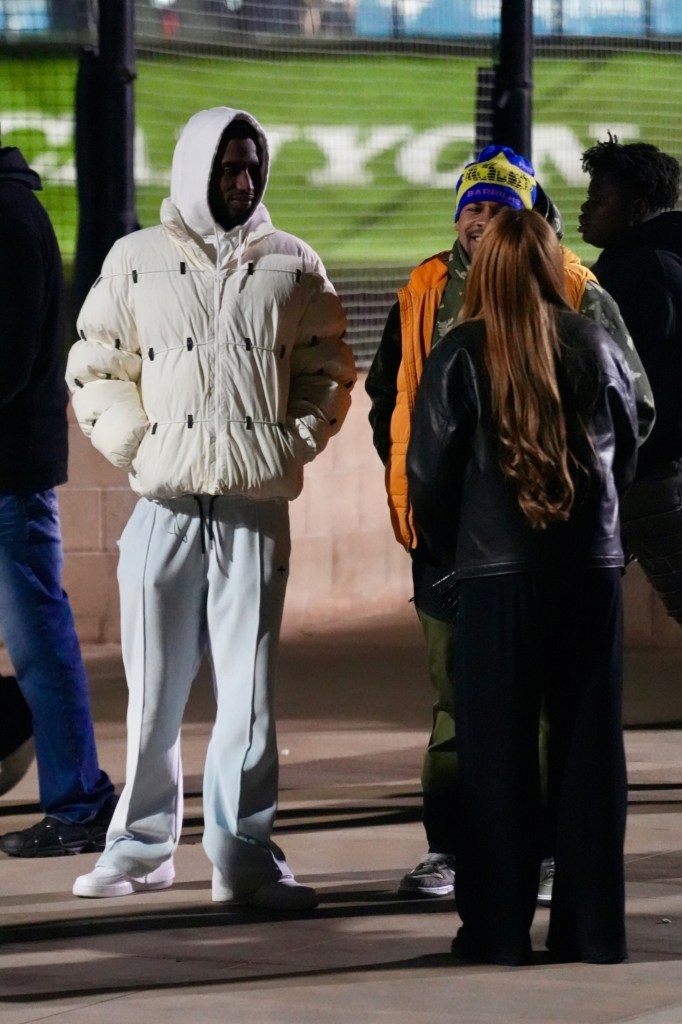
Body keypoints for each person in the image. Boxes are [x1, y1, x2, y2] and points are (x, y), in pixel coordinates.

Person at [66, 107, 356, 906]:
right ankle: (139, 847)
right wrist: (143, 449)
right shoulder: (134, 260)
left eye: (253, 166)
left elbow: (329, 370)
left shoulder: (294, 264)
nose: (243, 180)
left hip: (253, 507)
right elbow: (95, 368)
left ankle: (243, 857)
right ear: (197, 167)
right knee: (154, 688)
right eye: (229, 166)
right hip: (162, 503)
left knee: (248, 694)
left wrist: (284, 445)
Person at [365, 144, 653, 903]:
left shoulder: (579, 292)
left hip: (546, 544)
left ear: (527, 219)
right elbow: (389, 402)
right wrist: (425, 512)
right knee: (456, 699)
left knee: (553, 707)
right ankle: (451, 849)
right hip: (446, 544)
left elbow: (636, 412)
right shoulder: (423, 289)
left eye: (497, 208)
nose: (480, 221)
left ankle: (550, 853)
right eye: (470, 207)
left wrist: (586, 505)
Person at [407, 207, 638, 965]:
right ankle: (594, 931)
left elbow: (428, 479)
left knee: (497, 753)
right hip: (590, 573)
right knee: (588, 751)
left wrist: (459, 549)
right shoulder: (597, 343)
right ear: (549, 266)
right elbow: (631, 443)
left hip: (494, 578)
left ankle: (498, 932)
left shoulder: (460, 353)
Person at [0, 142, 116, 856]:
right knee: (37, 636)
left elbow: (8, 359)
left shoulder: (10, 217)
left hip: (10, 475)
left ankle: (78, 801)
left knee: (40, 640)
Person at [580, 134, 682, 623]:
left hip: (650, 475)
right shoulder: (654, 261)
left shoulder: (640, 273)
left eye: (599, 200)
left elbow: (649, 385)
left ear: (637, 208)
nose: (585, 210)